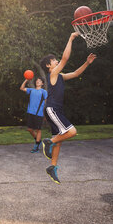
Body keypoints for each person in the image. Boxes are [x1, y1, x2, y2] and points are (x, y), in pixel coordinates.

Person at [40, 32, 97, 184]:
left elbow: (76, 73)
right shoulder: (53, 73)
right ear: (48, 66)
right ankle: (48, 142)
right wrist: (70, 38)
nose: (57, 61)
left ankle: (52, 167)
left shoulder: (60, 76)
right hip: (52, 109)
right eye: (54, 61)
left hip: (55, 109)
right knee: (72, 132)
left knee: (60, 140)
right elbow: (65, 59)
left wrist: (87, 63)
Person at [20, 77, 48, 153]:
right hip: (30, 112)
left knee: (38, 130)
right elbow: (22, 88)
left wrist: (46, 114)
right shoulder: (31, 90)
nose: (38, 81)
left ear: (42, 83)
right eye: (37, 81)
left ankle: (36, 146)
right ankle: (38, 141)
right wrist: (26, 79)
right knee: (29, 129)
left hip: (39, 113)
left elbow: (46, 103)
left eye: (40, 81)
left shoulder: (44, 92)